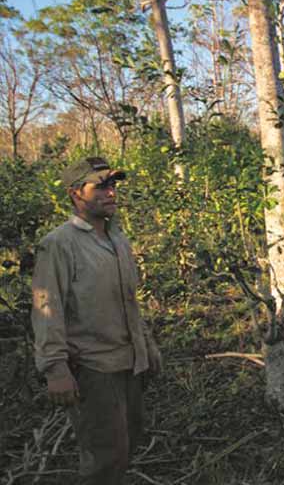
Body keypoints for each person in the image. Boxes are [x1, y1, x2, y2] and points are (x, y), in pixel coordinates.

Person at [31, 157, 162, 485]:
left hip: (128, 362)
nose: (111, 192)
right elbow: (47, 308)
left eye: (113, 185)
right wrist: (56, 369)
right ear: (77, 193)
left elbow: (129, 302)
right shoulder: (59, 244)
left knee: (130, 440)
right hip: (92, 368)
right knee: (106, 457)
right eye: (101, 186)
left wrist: (147, 345)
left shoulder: (118, 239)